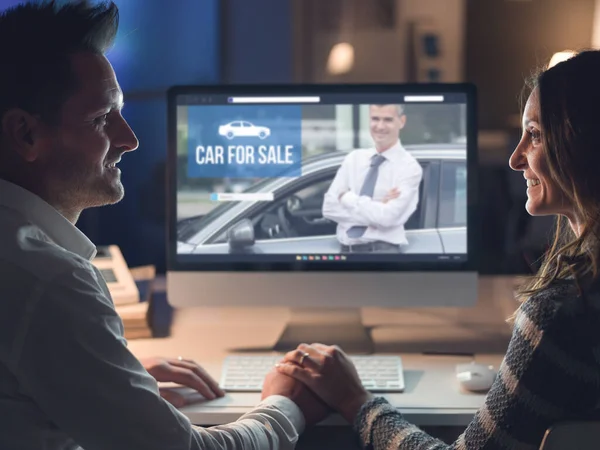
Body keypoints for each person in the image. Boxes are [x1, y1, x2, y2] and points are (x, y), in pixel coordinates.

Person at [0, 1, 329, 449]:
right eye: (101, 119)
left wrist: (112, 377)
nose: (129, 139)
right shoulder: (48, 280)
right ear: (24, 135)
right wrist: (285, 405)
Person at [276, 50, 600, 448]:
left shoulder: (563, 313)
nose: (515, 159)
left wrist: (352, 398)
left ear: (582, 144)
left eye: (534, 134)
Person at [322, 104, 423, 253]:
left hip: (383, 253)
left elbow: (387, 218)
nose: (380, 126)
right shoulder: (354, 158)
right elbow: (329, 208)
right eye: (375, 119)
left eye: (388, 120)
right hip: (345, 252)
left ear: (401, 121)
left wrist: (347, 198)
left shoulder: (409, 168)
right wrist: (376, 208)